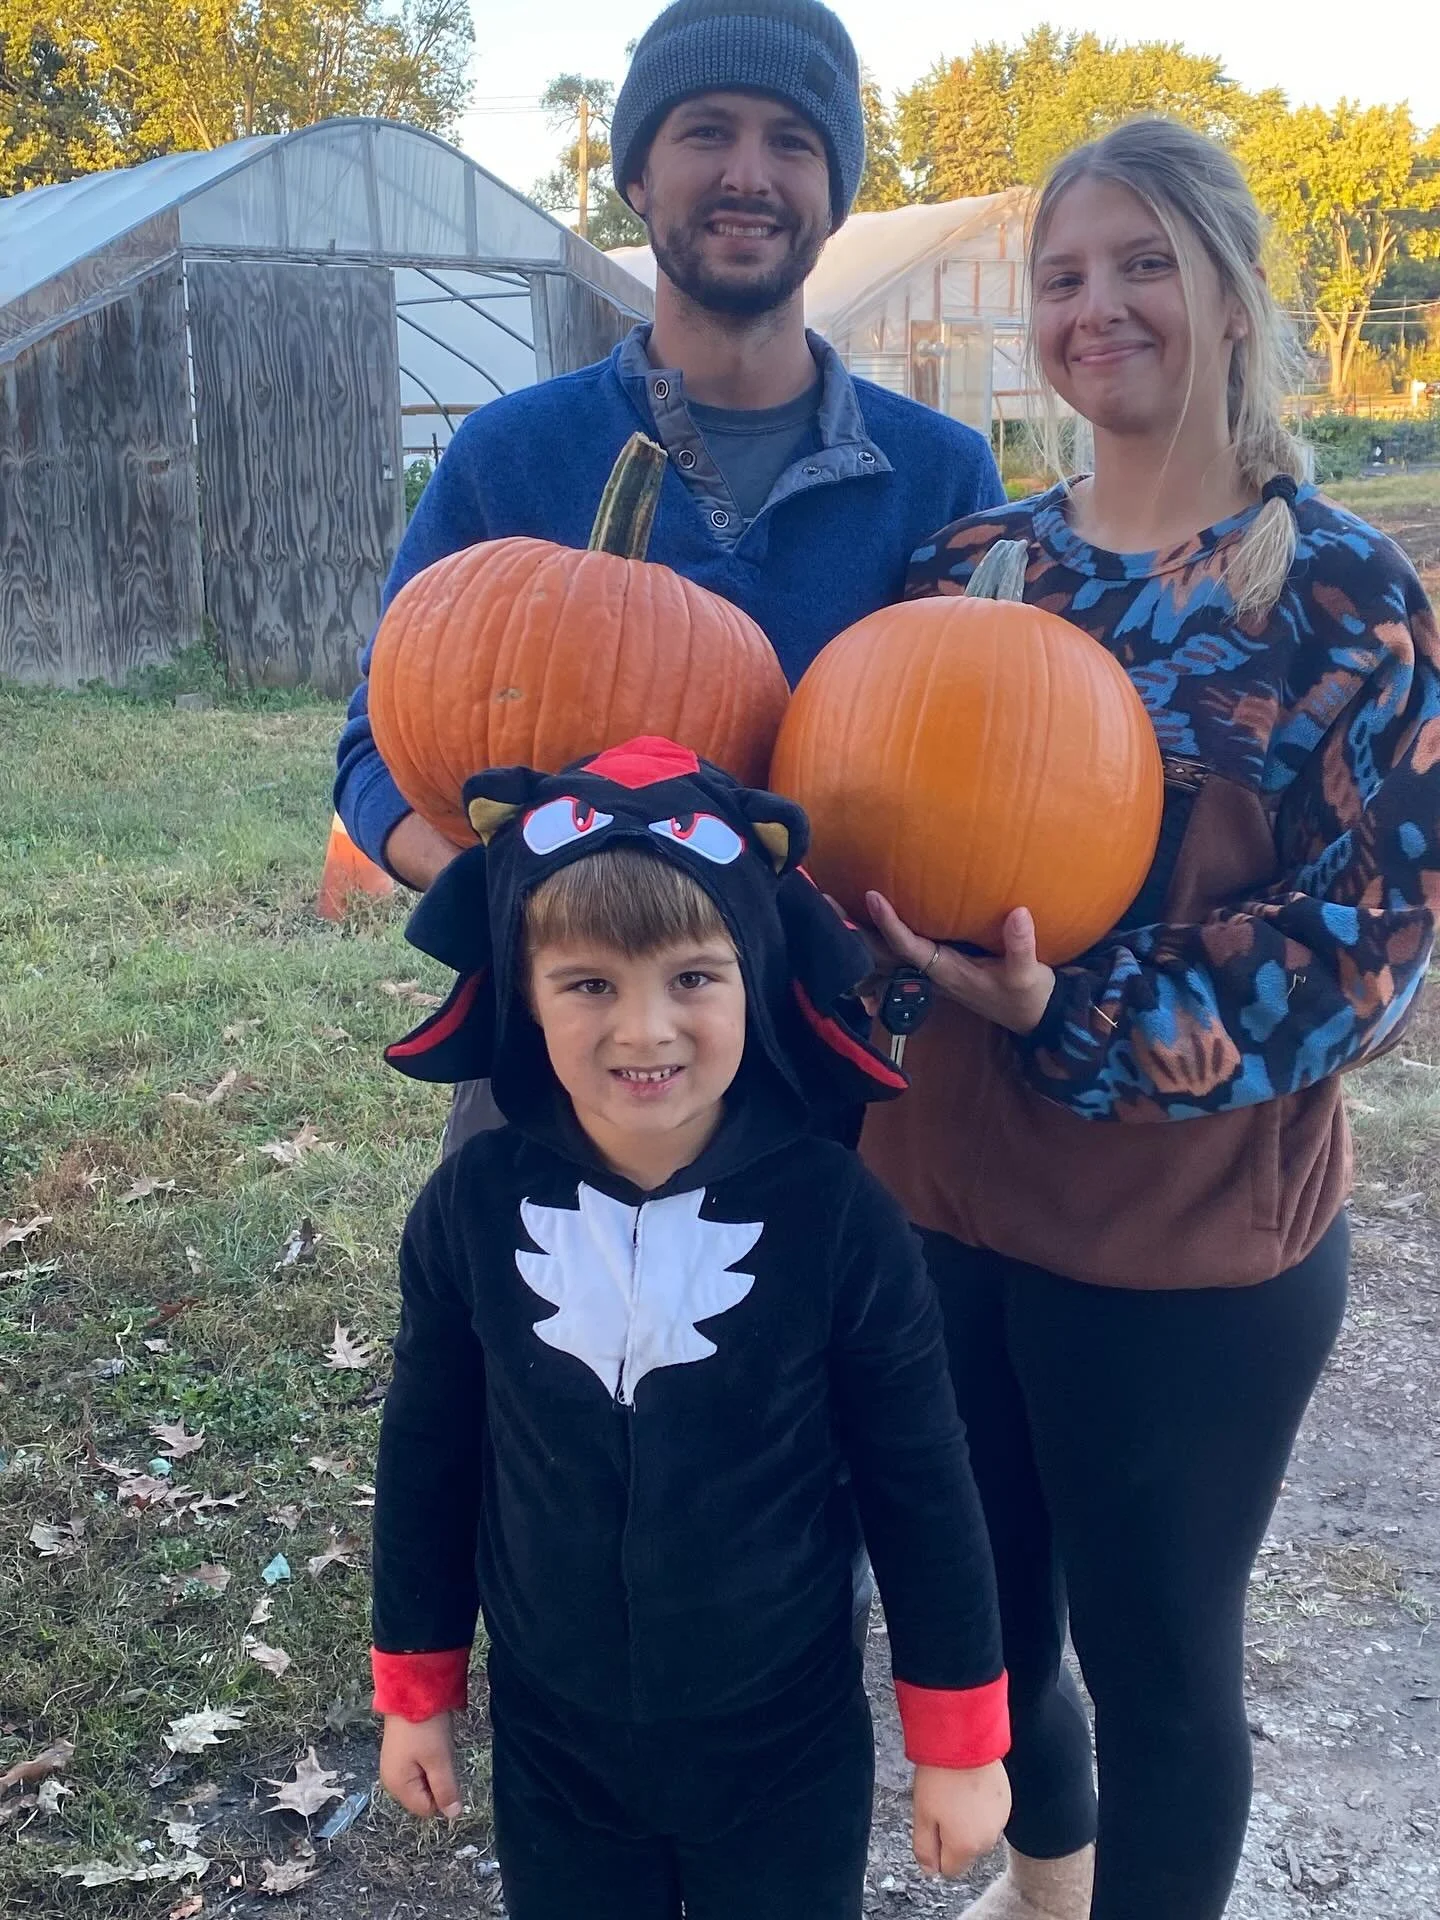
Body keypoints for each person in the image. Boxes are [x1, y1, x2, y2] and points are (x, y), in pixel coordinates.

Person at [857, 119, 1440, 1920]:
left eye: (1141, 264)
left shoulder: (1345, 597)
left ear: (1230, 289)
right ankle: (1044, 1893)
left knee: (1162, 1669)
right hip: (938, 1209)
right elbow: (872, 827)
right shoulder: (972, 566)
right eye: (1061, 275)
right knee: (987, 1628)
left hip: (1188, 1252)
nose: (1094, 306)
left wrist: (1070, 1010)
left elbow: (1372, 949)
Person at [333, 0, 1004, 1149]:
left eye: (792, 142)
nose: (749, 173)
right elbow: (374, 747)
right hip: (549, 1075)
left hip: (815, 1083)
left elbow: (984, 773)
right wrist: (517, 905)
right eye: (706, 131)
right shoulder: (514, 453)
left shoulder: (938, 476)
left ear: (836, 195)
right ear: (638, 175)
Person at [368, 735, 1013, 1919]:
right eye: (590, 984)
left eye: (692, 978)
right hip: (556, 1745)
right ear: (524, 989)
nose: (645, 1030)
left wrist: (959, 1734)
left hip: (782, 1743)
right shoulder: (473, 1206)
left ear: (755, 979)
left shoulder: (839, 1220)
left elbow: (919, 1482)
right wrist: (417, 1686)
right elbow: (428, 1455)